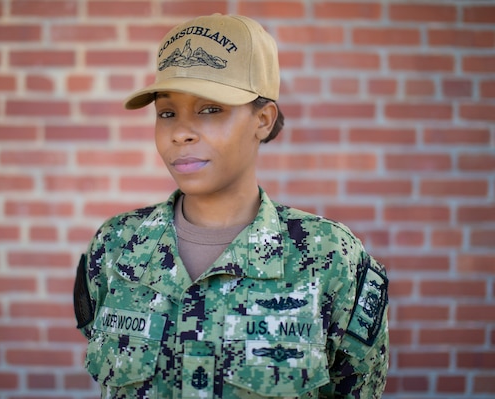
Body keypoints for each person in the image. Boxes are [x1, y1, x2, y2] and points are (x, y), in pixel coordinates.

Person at [73, 14, 389, 399]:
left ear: (263, 119)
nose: (180, 132)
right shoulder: (116, 247)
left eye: (210, 109)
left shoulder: (331, 256)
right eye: (166, 113)